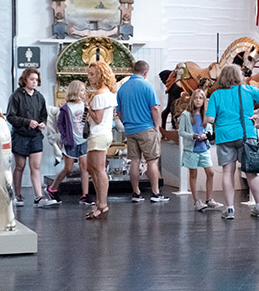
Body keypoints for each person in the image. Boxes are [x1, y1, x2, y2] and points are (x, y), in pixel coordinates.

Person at [205, 64, 259, 219]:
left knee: (228, 172)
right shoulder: (248, 90)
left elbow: (210, 119)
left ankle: (229, 209)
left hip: (225, 136)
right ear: (239, 76)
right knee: (251, 172)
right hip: (246, 134)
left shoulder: (216, 95)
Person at [117, 60, 168, 203]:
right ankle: (155, 193)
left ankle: (136, 193)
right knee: (152, 161)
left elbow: (119, 111)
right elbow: (155, 108)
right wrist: (157, 127)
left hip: (130, 129)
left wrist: (127, 123)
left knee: (134, 161)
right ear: (145, 72)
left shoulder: (123, 88)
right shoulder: (147, 85)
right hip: (146, 128)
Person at [6, 67, 54, 207]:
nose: (34, 82)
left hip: (35, 136)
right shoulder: (16, 96)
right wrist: (27, 122)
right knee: (20, 166)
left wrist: (42, 124)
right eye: (32, 79)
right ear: (25, 80)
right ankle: (17, 195)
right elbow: (11, 116)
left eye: (36, 80)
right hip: (20, 135)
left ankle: (38, 196)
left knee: (36, 166)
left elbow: (44, 115)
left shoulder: (39, 97)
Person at [46, 81, 94, 207]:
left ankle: (85, 195)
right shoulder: (66, 108)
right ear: (75, 91)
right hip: (71, 141)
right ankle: (52, 188)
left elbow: (85, 121)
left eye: (85, 90)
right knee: (68, 168)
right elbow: (60, 124)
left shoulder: (84, 105)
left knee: (85, 167)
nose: (84, 93)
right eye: (82, 90)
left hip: (82, 140)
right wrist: (64, 136)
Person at [178, 89, 222, 211]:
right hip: (192, 150)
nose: (198, 100)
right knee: (193, 174)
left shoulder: (206, 116)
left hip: (204, 148)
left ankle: (209, 199)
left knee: (210, 172)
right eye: (196, 98)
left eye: (201, 98)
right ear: (192, 99)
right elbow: (181, 131)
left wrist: (206, 135)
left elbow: (210, 130)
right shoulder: (186, 115)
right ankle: (196, 201)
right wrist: (192, 136)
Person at [85, 61, 118, 220]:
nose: (89, 77)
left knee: (98, 170)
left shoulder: (99, 95)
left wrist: (87, 106)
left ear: (100, 75)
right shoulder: (108, 94)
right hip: (103, 134)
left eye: (92, 74)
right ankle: (99, 202)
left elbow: (97, 119)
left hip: (98, 133)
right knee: (93, 169)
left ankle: (102, 204)